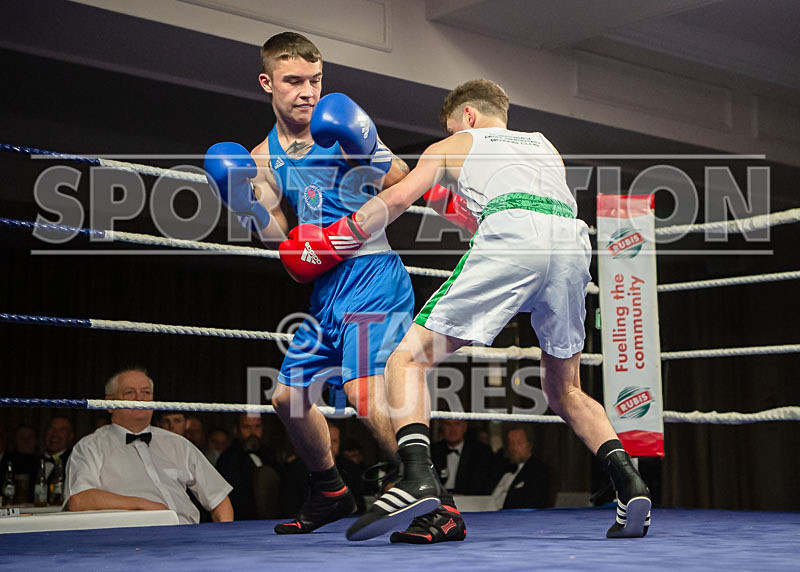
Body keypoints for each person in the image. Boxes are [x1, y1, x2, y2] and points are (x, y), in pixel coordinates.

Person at [320, 78, 652, 540]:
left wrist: (337, 236)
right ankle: (629, 481)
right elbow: (504, 208)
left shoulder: (457, 142)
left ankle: (416, 475)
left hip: (512, 234)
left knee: (407, 359)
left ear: (468, 117)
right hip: (572, 244)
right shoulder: (544, 145)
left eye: (453, 126)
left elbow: (398, 198)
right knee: (565, 389)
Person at [203, 31, 464, 542]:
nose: (308, 92)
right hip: (325, 287)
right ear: (267, 83)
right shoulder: (261, 156)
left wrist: (366, 145)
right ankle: (329, 489)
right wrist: (247, 203)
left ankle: (440, 503)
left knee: (365, 392)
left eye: (315, 80)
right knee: (287, 398)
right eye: (294, 81)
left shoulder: (340, 124)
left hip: (373, 275)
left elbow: (403, 179)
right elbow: (282, 240)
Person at [65, 368, 233, 524]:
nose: (140, 398)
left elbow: (219, 499)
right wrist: (141, 505)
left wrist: (224, 538)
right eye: (129, 392)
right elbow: (79, 500)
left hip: (188, 535)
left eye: (146, 392)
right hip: (132, 538)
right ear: (109, 403)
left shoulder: (178, 443)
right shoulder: (90, 446)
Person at [216, 413, 280, 520]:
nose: (253, 432)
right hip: (242, 521)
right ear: (236, 430)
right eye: (246, 427)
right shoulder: (228, 459)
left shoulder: (269, 454)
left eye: (257, 426)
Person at [490, 427, 549, 510]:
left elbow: (533, 503)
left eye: (519, 443)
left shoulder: (538, 470)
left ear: (529, 445)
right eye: (511, 443)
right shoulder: (502, 467)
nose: (514, 448)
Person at [431, 419, 495, 495]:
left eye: (457, 424)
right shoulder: (432, 451)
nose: (453, 429)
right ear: (442, 427)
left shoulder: (480, 451)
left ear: (465, 427)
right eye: (448, 424)